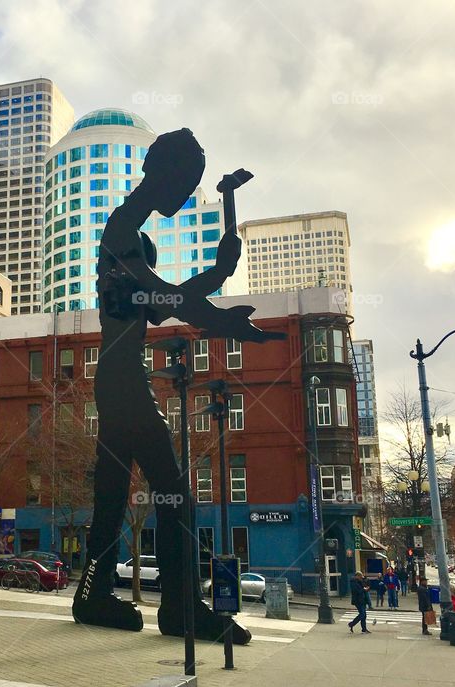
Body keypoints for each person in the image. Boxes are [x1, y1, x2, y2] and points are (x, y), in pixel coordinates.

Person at [70, 127, 282, 644]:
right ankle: (182, 610)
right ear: (160, 173)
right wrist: (224, 318)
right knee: (176, 498)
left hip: (116, 385)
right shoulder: (122, 229)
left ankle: (93, 597)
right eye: (186, 184)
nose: (187, 196)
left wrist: (217, 273)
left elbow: (167, 302)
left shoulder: (126, 241)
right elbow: (171, 299)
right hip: (124, 387)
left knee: (113, 497)